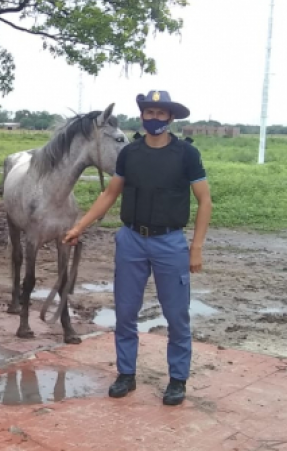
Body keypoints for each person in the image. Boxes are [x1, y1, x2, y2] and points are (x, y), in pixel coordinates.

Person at [63, 90, 213, 406]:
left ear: (171, 117)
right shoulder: (129, 154)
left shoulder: (186, 154)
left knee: (176, 315)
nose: (155, 119)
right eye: (150, 112)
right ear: (142, 115)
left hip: (170, 243)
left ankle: (177, 380)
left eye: (161, 114)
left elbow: (204, 201)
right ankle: (126, 374)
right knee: (126, 312)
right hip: (131, 240)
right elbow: (109, 195)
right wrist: (80, 225)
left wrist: (196, 247)